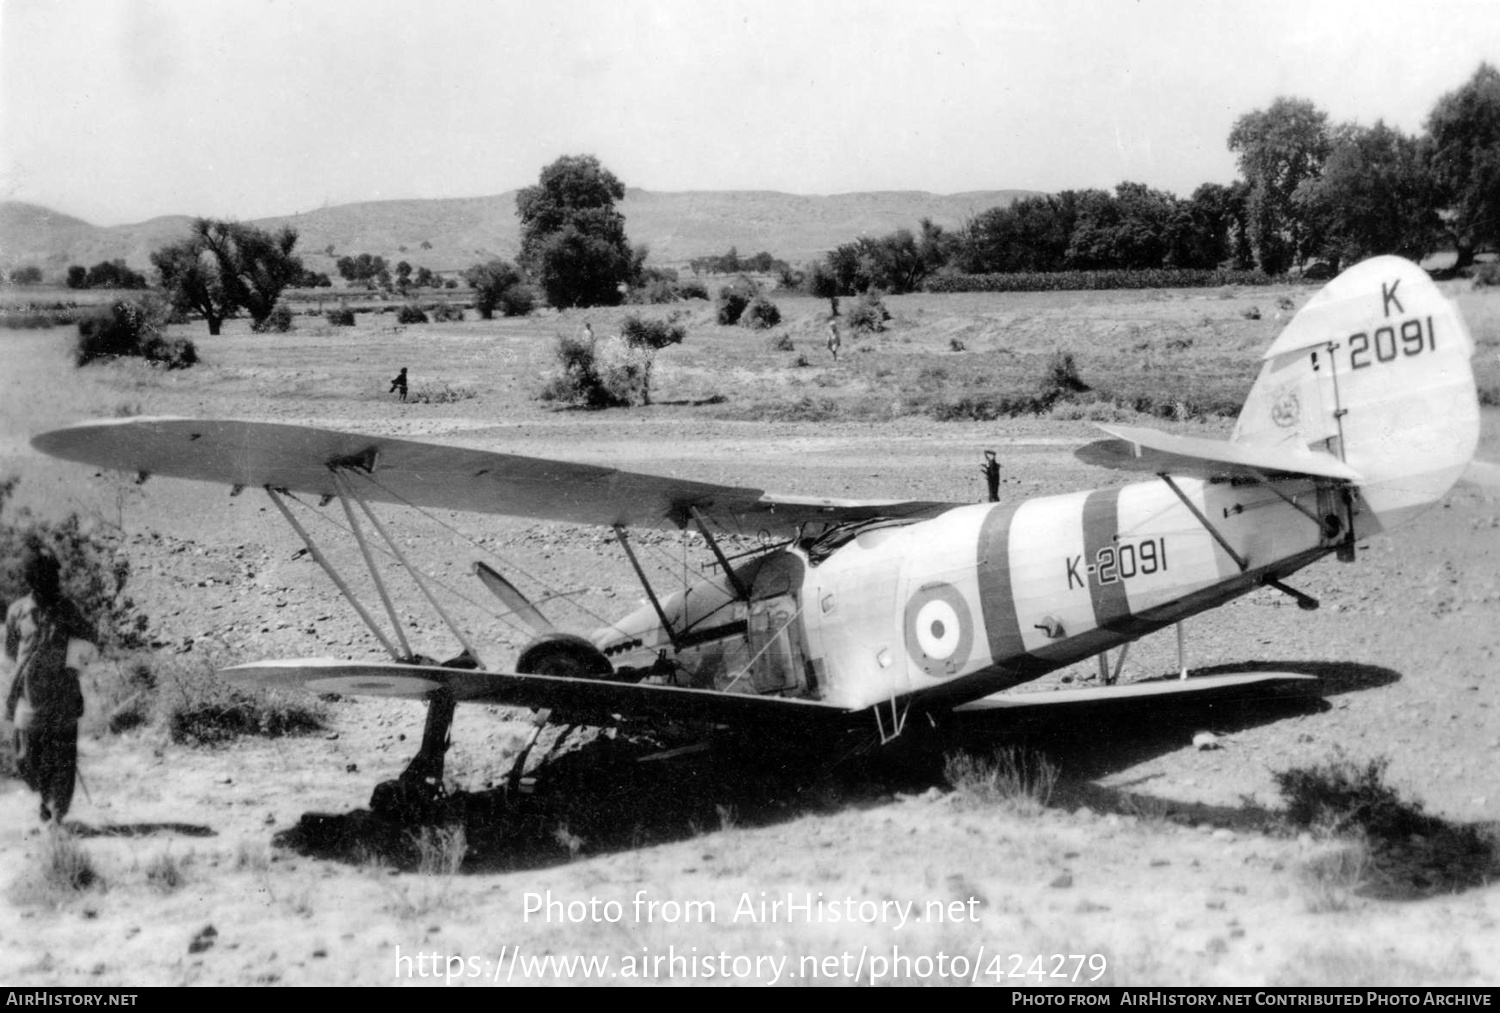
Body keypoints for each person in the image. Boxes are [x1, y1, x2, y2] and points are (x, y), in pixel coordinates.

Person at [5, 547, 96, 825]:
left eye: (53, 575)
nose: (51, 581)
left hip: (63, 695)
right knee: (27, 757)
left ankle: (56, 813)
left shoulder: (67, 609)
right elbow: (11, 649)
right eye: (44, 576)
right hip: (29, 698)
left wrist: (71, 667)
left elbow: (88, 641)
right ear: (32, 579)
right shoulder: (18, 611)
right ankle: (44, 794)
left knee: (63, 757)